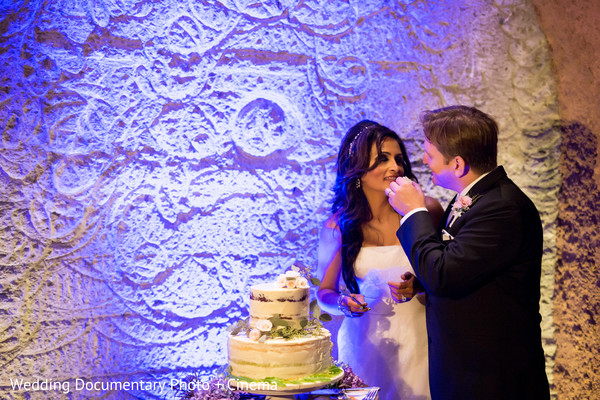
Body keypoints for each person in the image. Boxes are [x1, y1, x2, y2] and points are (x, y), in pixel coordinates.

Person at [386, 105, 550, 400]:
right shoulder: (474, 197)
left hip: (493, 376)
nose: (423, 161)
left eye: (430, 154)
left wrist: (413, 211)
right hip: (463, 368)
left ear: (458, 164)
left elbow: (444, 275)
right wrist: (420, 281)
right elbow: (466, 265)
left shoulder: (502, 207)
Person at [317, 120, 443, 400]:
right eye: (382, 159)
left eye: (399, 159)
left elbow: (446, 274)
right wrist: (343, 303)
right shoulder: (338, 227)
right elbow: (324, 292)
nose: (395, 167)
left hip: (421, 340)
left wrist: (419, 286)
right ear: (358, 169)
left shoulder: (427, 210)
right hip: (365, 346)